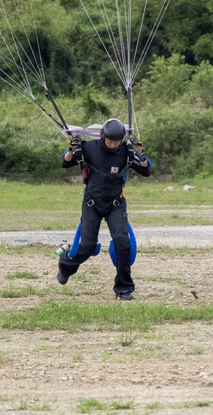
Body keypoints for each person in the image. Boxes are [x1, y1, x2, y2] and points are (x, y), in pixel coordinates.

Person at [58, 118, 150, 300]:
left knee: (123, 243)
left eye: (117, 141)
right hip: (92, 202)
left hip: (115, 203)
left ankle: (124, 289)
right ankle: (65, 266)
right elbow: (65, 162)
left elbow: (146, 170)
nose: (113, 144)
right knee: (87, 246)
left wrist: (141, 154)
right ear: (103, 137)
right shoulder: (90, 148)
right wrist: (71, 149)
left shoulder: (127, 151)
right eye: (110, 141)